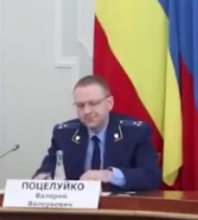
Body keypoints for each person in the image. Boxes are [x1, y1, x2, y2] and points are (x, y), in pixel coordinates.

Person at [33, 74, 161, 192]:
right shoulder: (63, 134)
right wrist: (42, 178)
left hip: (119, 207)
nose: (86, 111)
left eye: (93, 103)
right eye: (80, 105)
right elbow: (48, 169)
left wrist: (108, 175)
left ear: (109, 103)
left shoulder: (136, 132)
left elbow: (151, 176)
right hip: (77, 207)